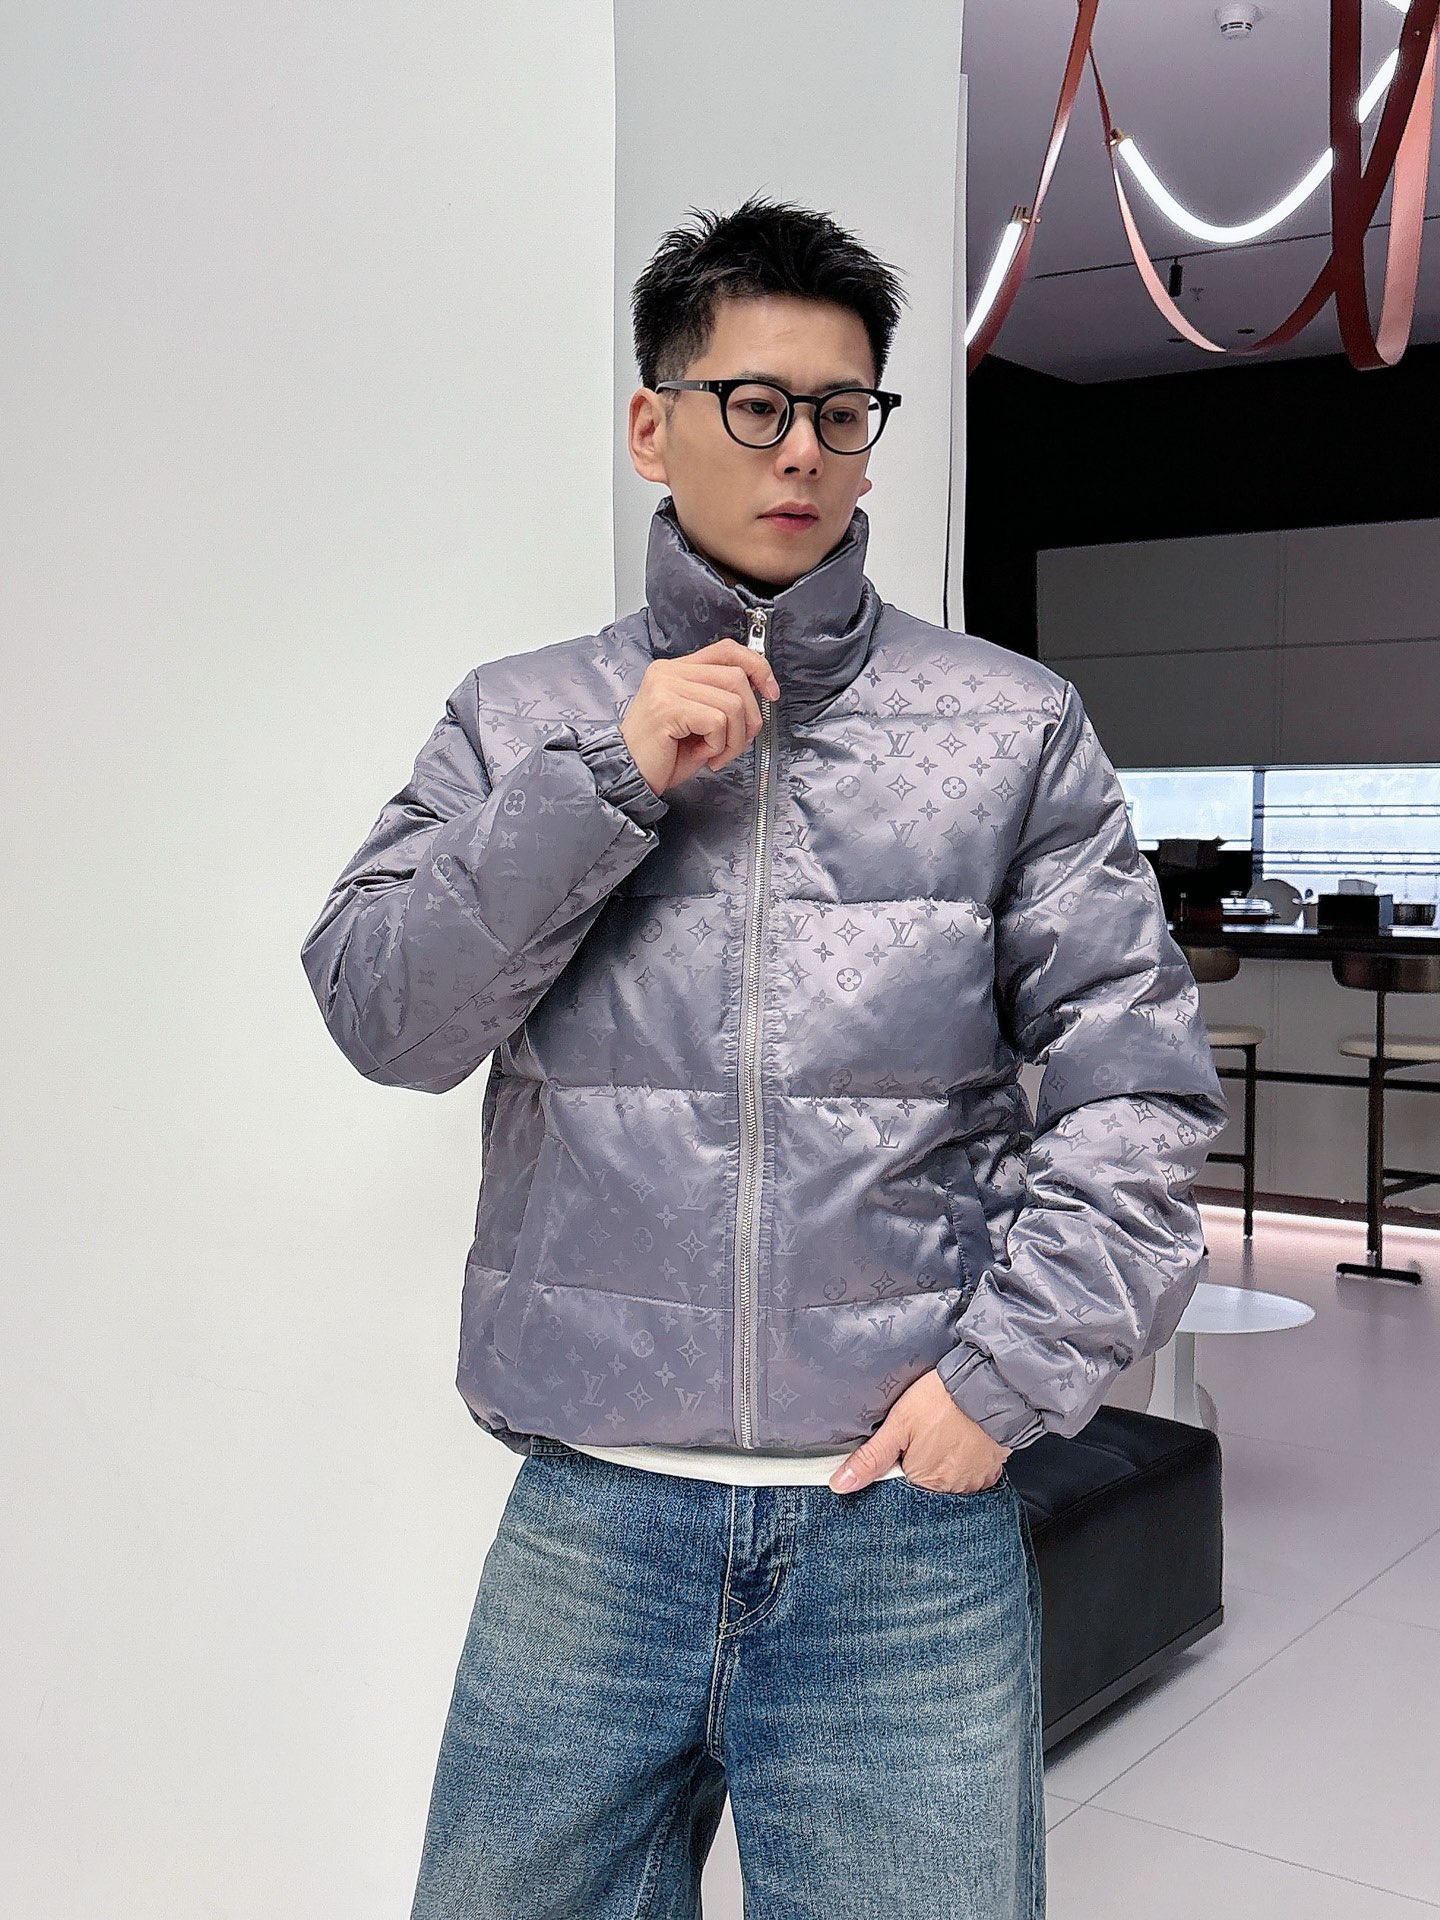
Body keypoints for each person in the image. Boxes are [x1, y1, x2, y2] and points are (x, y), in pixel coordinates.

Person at [300, 194, 1227, 1919]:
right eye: (754, 403)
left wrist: (1004, 1382)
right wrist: (609, 776)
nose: (802, 449)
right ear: (652, 424)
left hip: (902, 1528)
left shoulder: (1009, 727)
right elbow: (382, 1015)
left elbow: (1139, 1093)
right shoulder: (521, 716)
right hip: (594, 1519)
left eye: (842, 410)